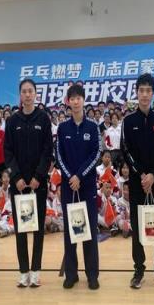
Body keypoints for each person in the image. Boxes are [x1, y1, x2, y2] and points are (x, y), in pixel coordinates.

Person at [120, 73, 154, 290]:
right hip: (137, 183)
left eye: (148, 90)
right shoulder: (128, 121)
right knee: (138, 224)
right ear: (136, 92)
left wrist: (153, 175)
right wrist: (141, 174)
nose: (144, 94)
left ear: (153, 93)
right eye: (141, 90)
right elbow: (125, 151)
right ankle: (139, 269)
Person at [4, 79, 53, 288]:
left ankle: (36, 271)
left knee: (38, 229)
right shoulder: (12, 121)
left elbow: (47, 151)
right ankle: (23, 271)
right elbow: (8, 152)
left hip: (37, 184)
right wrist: (16, 177)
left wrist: (38, 177)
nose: (27, 95)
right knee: (21, 229)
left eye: (30, 91)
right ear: (20, 95)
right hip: (18, 185)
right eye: (23, 91)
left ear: (35, 94)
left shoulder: (43, 119)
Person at [56, 84, 101, 290]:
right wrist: (70, 177)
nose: (75, 102)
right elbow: (59, 157)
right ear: (68, 102)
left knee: (89, 230)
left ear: (83, 100)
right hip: (69, 187)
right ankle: (71, 274)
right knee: (70, 232)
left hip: (87, 187)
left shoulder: (92, 127)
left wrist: (80, 175)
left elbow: (96, 154)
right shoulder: (62, 128)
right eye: (72, 98)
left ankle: (92, 275)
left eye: (78, 98)